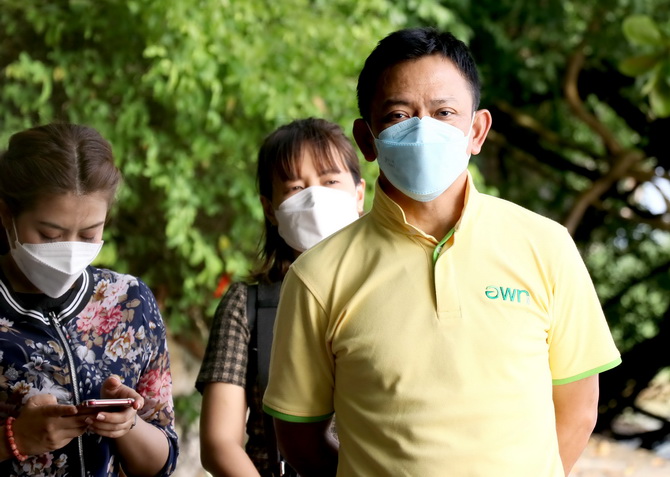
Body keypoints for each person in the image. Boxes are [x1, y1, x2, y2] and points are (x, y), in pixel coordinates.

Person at [262, 27, 622, 477]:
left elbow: (578, 411)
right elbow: (299, 439)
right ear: (367, 139)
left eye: (444, 112)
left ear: (477, 131)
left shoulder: (546, 246)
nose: (422, 129)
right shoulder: (317, 277)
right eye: (398, 115)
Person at [0, 123, 179, 476]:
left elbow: (161, 462)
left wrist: (128, 424)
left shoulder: (130, 303)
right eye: (50, 234)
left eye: (88, 234)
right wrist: (16, 438)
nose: (69, 251)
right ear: (7, 214)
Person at [196, 118, 365, 477]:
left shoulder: (391, 289)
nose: (314, 198)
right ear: (270, 208)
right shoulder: (247, 304)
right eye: (295, 188)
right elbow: (219, 443)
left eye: (330, 181)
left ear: (359, 194)